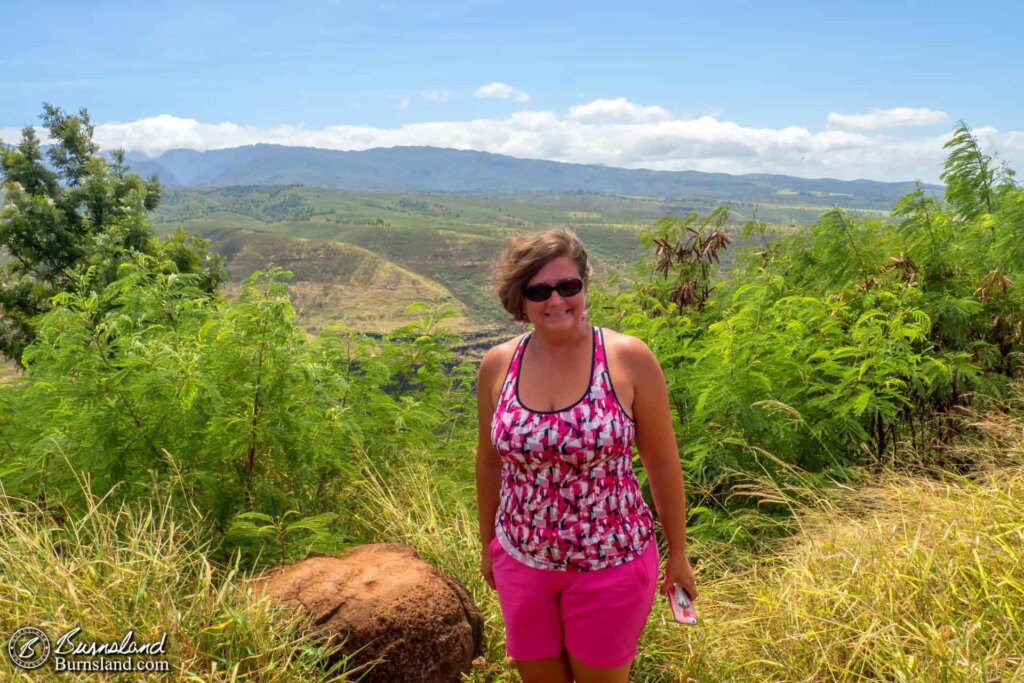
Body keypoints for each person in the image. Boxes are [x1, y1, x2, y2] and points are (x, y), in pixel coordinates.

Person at [475, 228, 697, 683]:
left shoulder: (627, 359)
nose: (556, 300)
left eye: (567, 286)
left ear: (585, 285)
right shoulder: (498, 365)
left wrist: (679, 552)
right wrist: (488, 547)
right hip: (522, 558)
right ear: (520, 299)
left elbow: (661, 462)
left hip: (611, 563)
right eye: (539, 290)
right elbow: (488, 461)